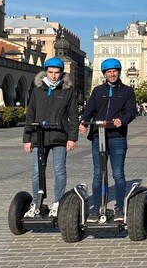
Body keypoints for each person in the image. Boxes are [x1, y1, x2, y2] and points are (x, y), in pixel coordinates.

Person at [79, 58, 137, 221]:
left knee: (118, 173)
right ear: (104, 74)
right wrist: (83, 122)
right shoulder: (98, 91)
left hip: (117, 136)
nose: (112, 74)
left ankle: (119, 207)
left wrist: (122, 120)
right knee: (98, 173)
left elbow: (132, 111)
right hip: (98, 135)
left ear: (119, 72)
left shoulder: (127, 91)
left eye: (114, 71)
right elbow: (89, 110)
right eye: (109, 72)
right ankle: (96, 207)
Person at [22, 57, 78, 218]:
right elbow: (30, 113)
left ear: (62, 73)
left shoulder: (67, 91)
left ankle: (57, 201)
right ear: (45, 72)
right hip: (39, 136)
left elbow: (73, 115)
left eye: (57, 72)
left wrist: (72, 137)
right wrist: (27, 138)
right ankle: (37, 202)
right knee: (36, 171)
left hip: (60, 135)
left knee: (59, 170)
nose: (53, 76)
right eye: (51, 72)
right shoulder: (37, 89)